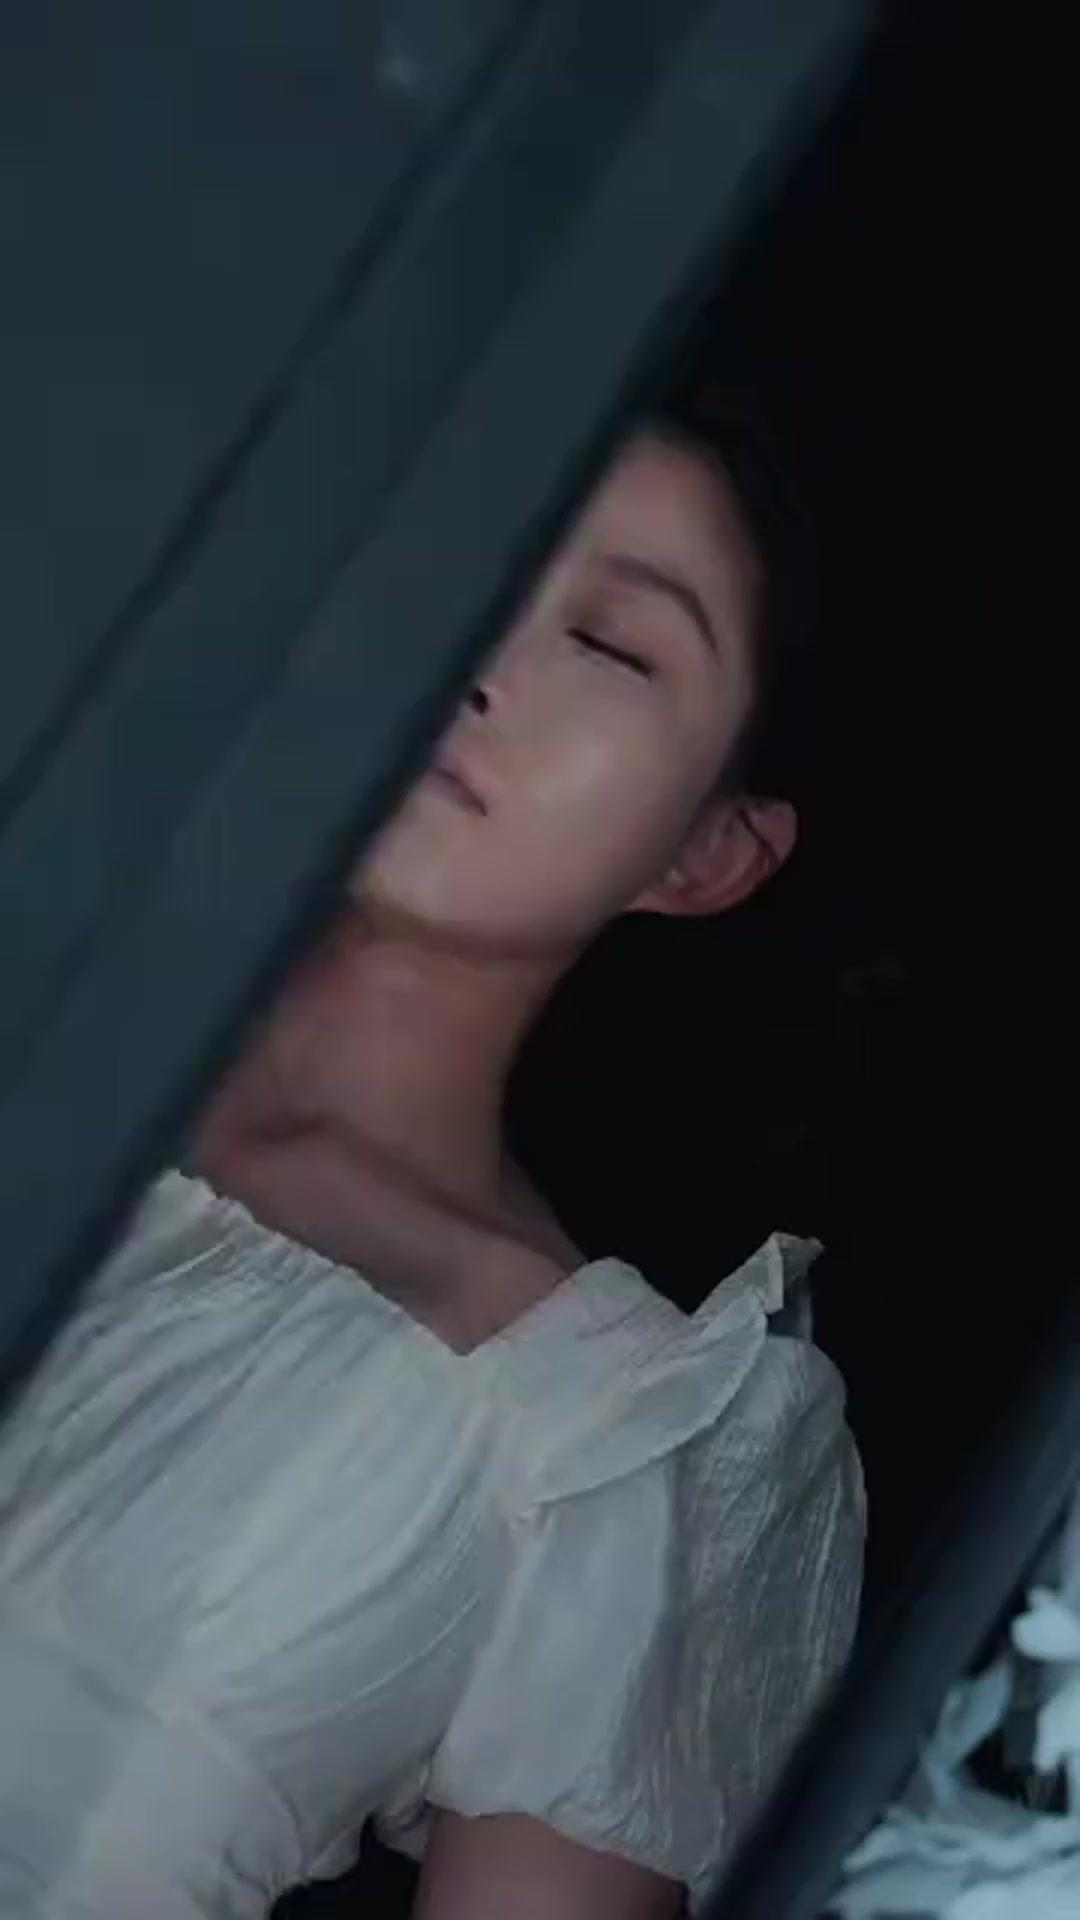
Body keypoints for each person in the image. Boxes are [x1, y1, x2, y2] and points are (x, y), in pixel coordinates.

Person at [0, 404, 865, 1919]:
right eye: (474, 551)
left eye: (610, 644)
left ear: (708, 852)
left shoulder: (614, 1443)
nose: (479, 653)